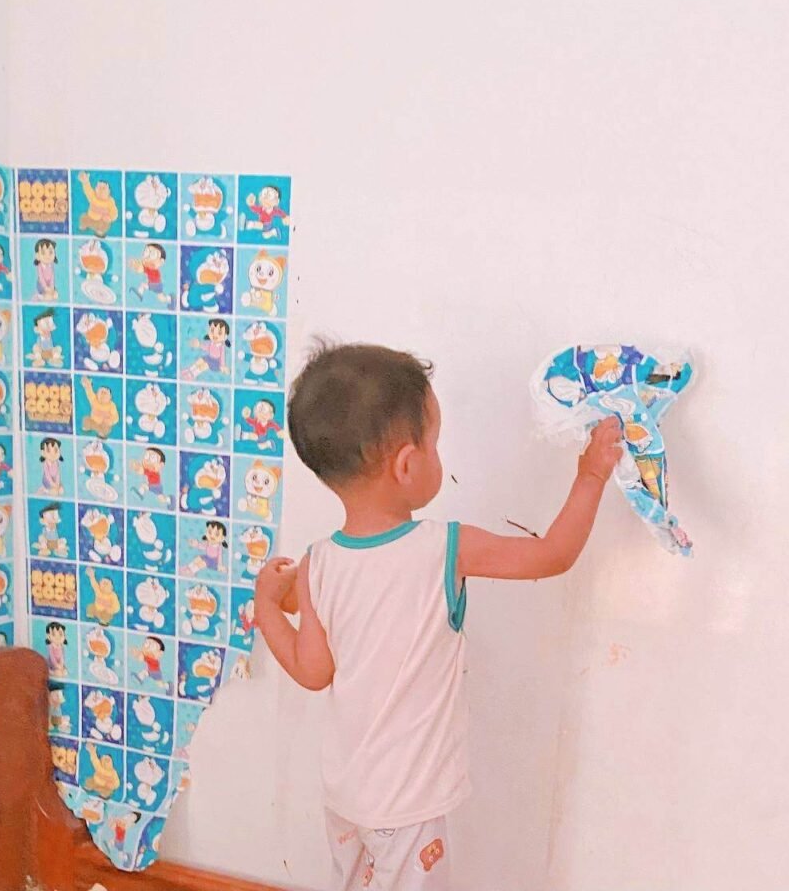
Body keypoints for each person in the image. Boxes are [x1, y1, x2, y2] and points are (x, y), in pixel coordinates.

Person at [255, 342, 622, 891]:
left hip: (347, 797)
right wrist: (591, 476)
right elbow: (551, 555)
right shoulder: (445, 550)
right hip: (407, 806)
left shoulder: (318, 564)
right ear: (407, 465)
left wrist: (268, 608)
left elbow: (313, 671)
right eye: (435, 443)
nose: (439, 458)